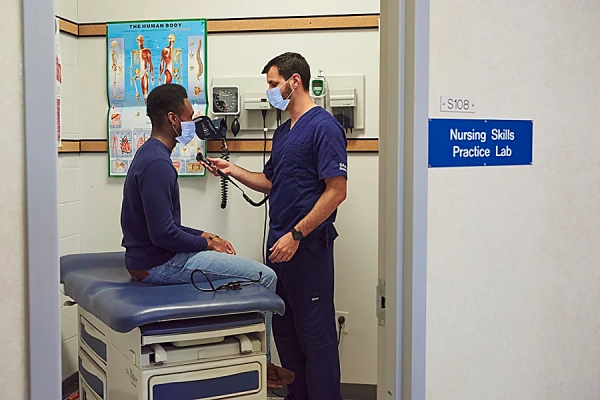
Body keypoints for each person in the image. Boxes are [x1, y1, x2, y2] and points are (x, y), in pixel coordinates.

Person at [119, 83, 294, 389]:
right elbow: (163, 235)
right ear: (174, 120)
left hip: (151, 257)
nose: (193, 122)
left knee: (236, 262)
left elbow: (165, 226)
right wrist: (205, 243)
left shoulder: (151, 155)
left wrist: (204, 234)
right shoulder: (158, 164)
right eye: (190, 115)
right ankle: (262, 363)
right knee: (265, 277)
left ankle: (252, 356)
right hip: (157, 265)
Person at [202, 52, 348, 400]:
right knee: (285, 332)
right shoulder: (283, 133)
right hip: (279, 250)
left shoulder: (324, 127)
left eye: (272, 84)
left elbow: (336, 191)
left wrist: (297, 234)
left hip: (307, 249)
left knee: (317, 338)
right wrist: (231, 169)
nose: (269, 91)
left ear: (293, 81)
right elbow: (270, 181)